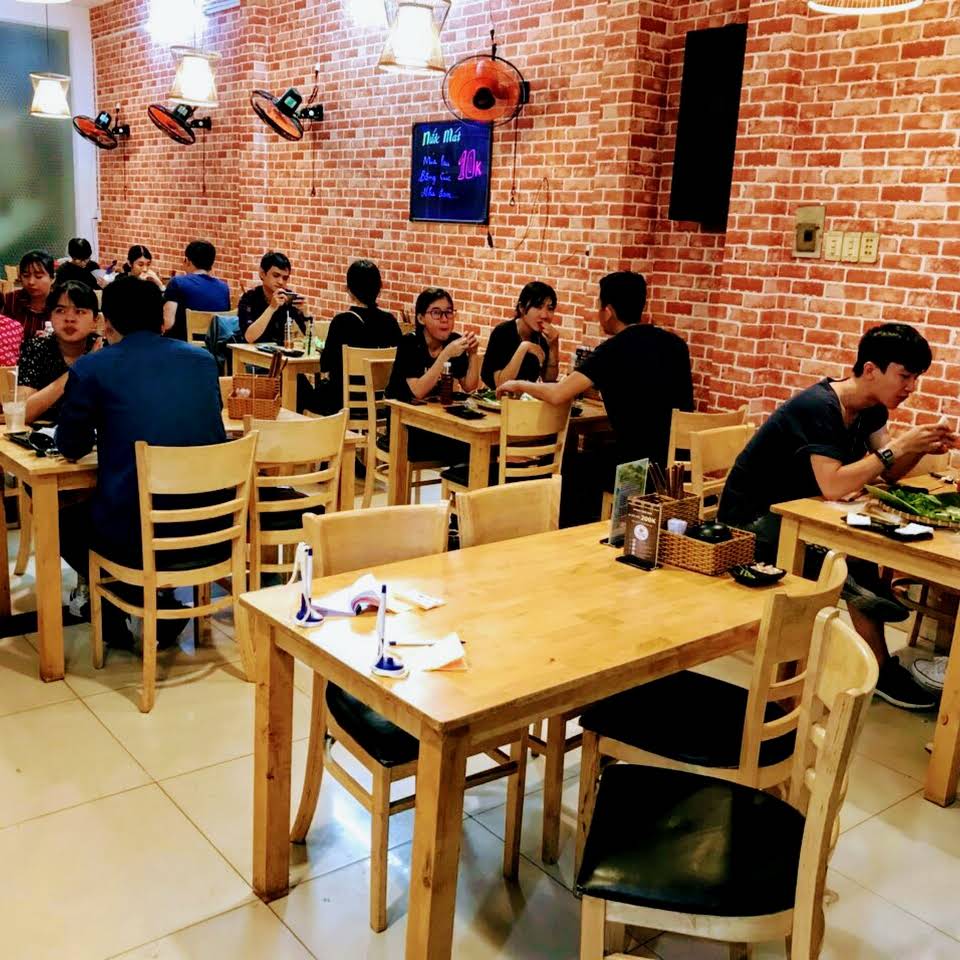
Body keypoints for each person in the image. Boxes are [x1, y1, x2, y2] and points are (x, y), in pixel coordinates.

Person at [717, 322, 954, 711]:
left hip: (801, 512)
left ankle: (874, 638)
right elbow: (833, 485)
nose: (911, 387)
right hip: (750, 522)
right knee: (845, 556)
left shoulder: (871, 409)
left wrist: (918, 446)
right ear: (871, 369)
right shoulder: (819, 406)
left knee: (859, 544)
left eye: (916, 378)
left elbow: (889, 472)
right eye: (905, 376)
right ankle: (874, 640)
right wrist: (899, 446)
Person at [56, 275, 227, 647]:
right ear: (162, 318)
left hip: (141, 535)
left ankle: (128, 605)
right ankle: (150, 605)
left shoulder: (93, 368)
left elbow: (71, 445)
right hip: (215, 527)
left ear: (107, 323)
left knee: (64, 521)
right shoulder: (203, 361)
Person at [498, 270, 694, 495]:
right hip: (677, 471)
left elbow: (558, 394)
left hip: (637, 472)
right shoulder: (676, 345)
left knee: (563, 468)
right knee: (596, 452)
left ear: (608, 311)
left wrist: (518, 385)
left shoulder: (613, 350)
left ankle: (564, 519)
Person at [385, 287, 479, 461]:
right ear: (421, 318)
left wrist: (473, 354)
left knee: (476, 445)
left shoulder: (453, 341)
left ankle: (458, 479)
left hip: (438, 421)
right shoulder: (410, 343)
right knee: (468, 448)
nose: (444, 319)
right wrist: (446, 355)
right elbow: (418, 391)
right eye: (436, 313)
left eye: (449, 312)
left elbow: (469, 386)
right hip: (404, 425)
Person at [318, 259, 402, 414]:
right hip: (380, 404)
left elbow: (325, 365)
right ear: (379, 288)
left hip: (342, 404)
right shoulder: (390, 321)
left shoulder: (341, 322)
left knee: (300, 388)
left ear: (349, 290)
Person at [18, 281, 101, 424]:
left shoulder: (104, 350)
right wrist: (80, 367)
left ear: (95, 320)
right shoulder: (36, 348)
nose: (69, 319)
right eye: (60, 311)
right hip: (42, 435)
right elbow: (22, 414)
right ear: (50, 316)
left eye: (80, 311)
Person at [481, 281, 560, 389]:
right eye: (538, 306)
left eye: (550, 308)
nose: (544, 315)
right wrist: (524, 348)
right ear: (521, 307)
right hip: (496, 397)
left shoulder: (540, 338)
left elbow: (549, 379)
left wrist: (554, 345)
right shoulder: (503, 333)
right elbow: (500, 384)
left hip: (524, 397)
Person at [162, 239, 230, 341]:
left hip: (181, 345)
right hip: (214, 346)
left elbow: (167, 323)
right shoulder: (224, 288)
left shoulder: (177, 283)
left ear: (187, 261)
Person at [237, 251, 306, 345]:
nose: (281, 282)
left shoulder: (287, 298)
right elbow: (249, 337)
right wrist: (272, 308)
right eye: (276, 276)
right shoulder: (249, 297)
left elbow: (312, 338)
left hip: (280, 351)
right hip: (251, 351)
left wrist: (306, 314)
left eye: (285, 278)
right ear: (262, 273)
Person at [2, 250, 55, 339]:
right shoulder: (9, 301)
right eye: (26, 276)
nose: (31, 282)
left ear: (52, 278)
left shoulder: (61, 304)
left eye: (38, 276)